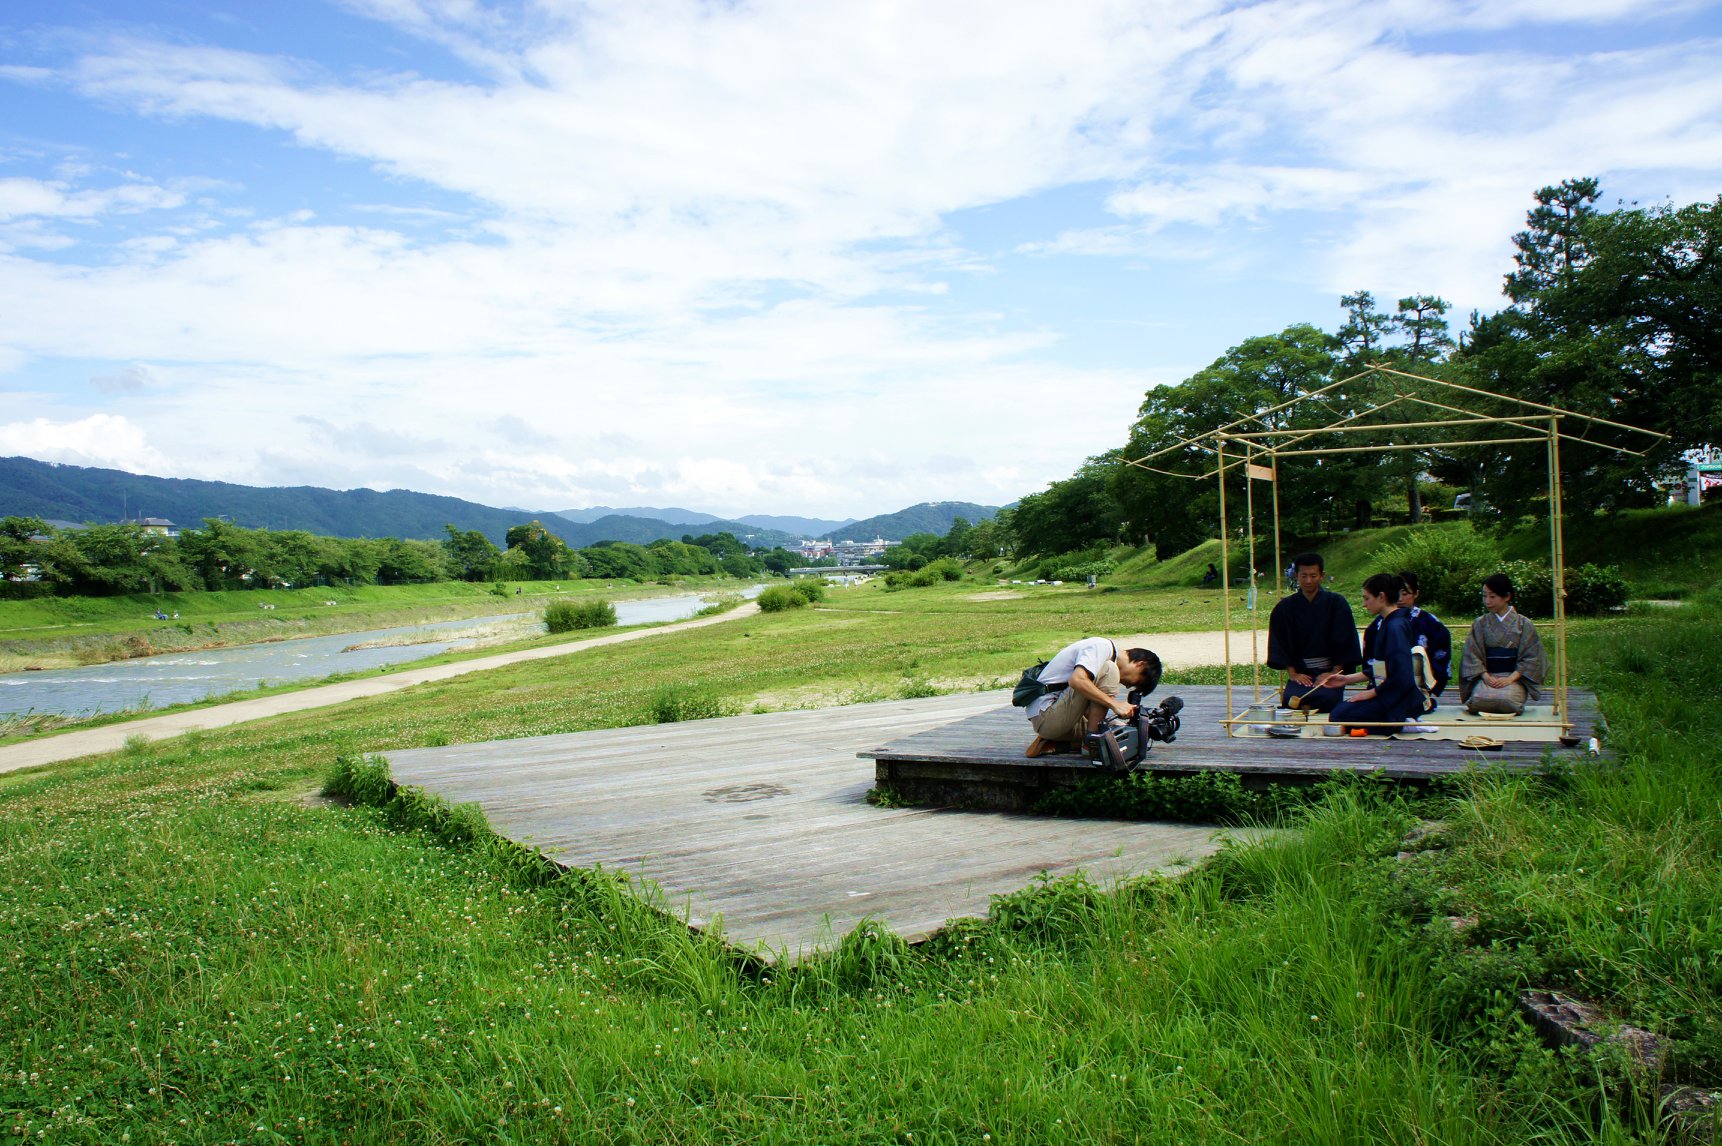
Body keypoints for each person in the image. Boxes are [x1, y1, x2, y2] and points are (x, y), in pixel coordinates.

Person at [1318, 573, 1427, 734]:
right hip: (1392, 692)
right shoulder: (1391, 622)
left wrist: (1371, 693)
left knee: (1339, 715)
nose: (1364, 604)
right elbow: (1384, 667)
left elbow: (1401, 675)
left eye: (1367, 598)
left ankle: (1401, 721)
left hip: (1398, 697)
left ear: (1381, 597)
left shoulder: (1395, 627)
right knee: (1340, 712)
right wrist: (1347, 679)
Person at [1025, 638, 1163, 758]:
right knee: (1110, 670)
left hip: (1060, 720)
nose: (1128, 686)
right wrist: (1114, 704)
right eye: (1136, 683)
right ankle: (1092, 744)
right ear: (1141, 664)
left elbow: (1085, 706)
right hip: (1047, 715)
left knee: (1121, 731)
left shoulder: (1102, 655)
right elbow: (1076, 680)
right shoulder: (1101, 646)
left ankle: (1056, 743)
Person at [1265, 552, 1362, 713]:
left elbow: (1344, 639)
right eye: (1304, 576)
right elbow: (1281, 641)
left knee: (1328, 699)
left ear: (1322, 576)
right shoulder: (1285, 607)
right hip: (1302, 671)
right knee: (1291, 701)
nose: (1308, 580)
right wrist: (1293, 673)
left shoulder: (1336, 603)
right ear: (1296, 575)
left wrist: (1333, 672)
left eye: (1313, 575)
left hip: (1330, 669)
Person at [1361, 570, 1452, 709]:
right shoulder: (1378, 625)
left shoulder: (1429, 623)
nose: (1400, 599)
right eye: (1398, 594)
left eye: (1405, 594)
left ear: (1416, 594)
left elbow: (1441, 652)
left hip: (1416, 683)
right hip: (1386, 682)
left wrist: (1426, 678)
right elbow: (1371, 660)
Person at [1460, 572, 1545, 715]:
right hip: (1488, 677)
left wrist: (1510, 678)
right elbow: (1471, 655)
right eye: (1484, 596)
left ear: (1507, 596)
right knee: (1479, 699)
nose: (1487, 601)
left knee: (1507, 700)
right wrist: (1486, 676)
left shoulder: (1523, 624)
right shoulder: (1480, 623)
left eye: (1492, 596)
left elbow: (1533, 658)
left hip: (1513, 678)